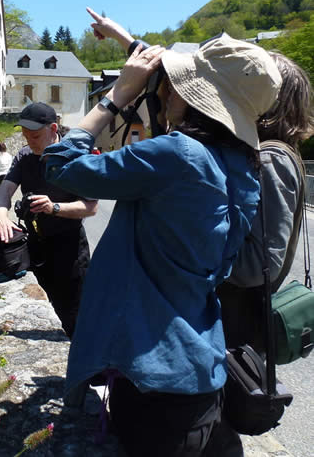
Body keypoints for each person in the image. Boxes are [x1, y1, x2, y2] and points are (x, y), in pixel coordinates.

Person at [43, 33, 282, 456]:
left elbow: (60, 165)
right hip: (202, 375)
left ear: (191, 96)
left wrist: (117, 95)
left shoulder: (179, 155)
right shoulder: (242, 167)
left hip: (153, 387)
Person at [218, 53, 314, 353]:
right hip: (233, 323)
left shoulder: (271, 159)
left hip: (235, 330)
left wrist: (194, 254)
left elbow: (259, 265)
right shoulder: (264, 153)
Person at [0, 102, 98, 337]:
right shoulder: (24, 156)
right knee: (45, 300)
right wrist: (1, 214)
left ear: (53, 128)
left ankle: (81, 357)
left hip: (69, 247)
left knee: (74, 309)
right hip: (36, 245)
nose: (30, 140)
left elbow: (91, 207)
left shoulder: (76, 156)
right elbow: (5, 190)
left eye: (36, 135)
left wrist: (54, 207)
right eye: (25, 135)